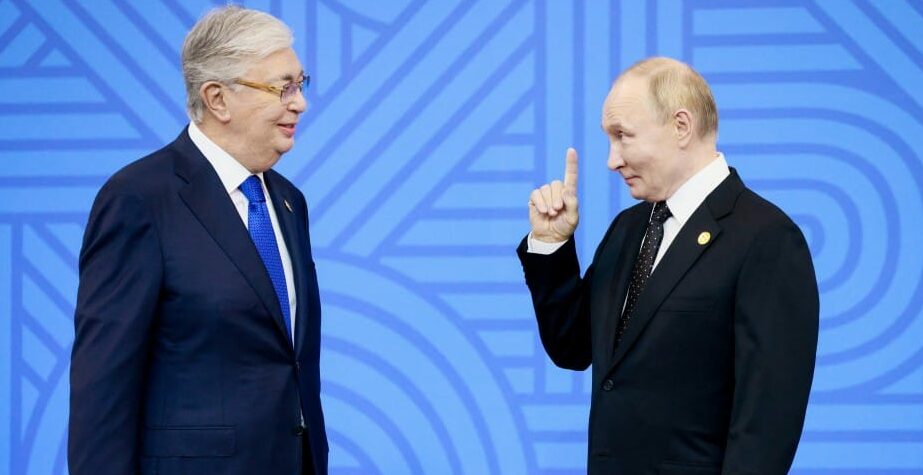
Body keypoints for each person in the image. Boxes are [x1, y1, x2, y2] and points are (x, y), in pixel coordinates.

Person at [517, 57, 819, 474]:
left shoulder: (766, 239)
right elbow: (574, 348)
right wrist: (552, 246)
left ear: (681, 126)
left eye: (622, 136)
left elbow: (767, 423)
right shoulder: (628, 228)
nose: (612, 159)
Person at [69, 6, 327, 474]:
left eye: (300, 83)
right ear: (217, 99)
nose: (299, 103)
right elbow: (103, 386)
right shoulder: (140, 198)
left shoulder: (289, 202)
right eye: (281, 87)